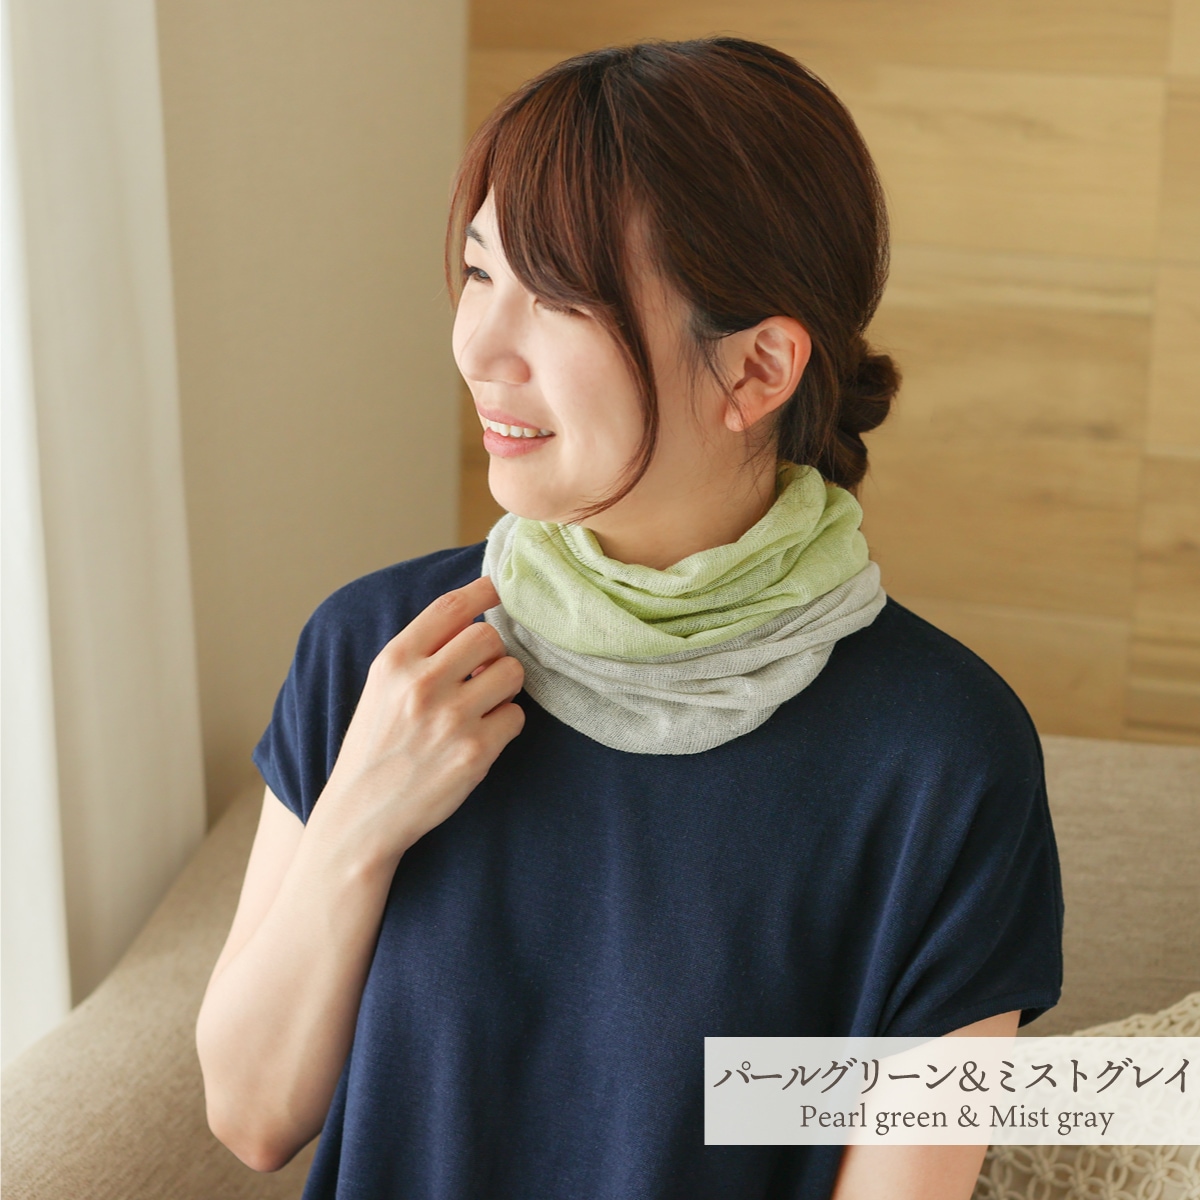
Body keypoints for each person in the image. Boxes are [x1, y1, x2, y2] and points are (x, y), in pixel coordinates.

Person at [195, 37, 1063, 1200]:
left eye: (559, 299)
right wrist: (358, 826)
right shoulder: (383, 652)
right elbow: (252, 1116)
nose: (479, 347)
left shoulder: (941, 760)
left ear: (757, 370)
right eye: (479, 273)